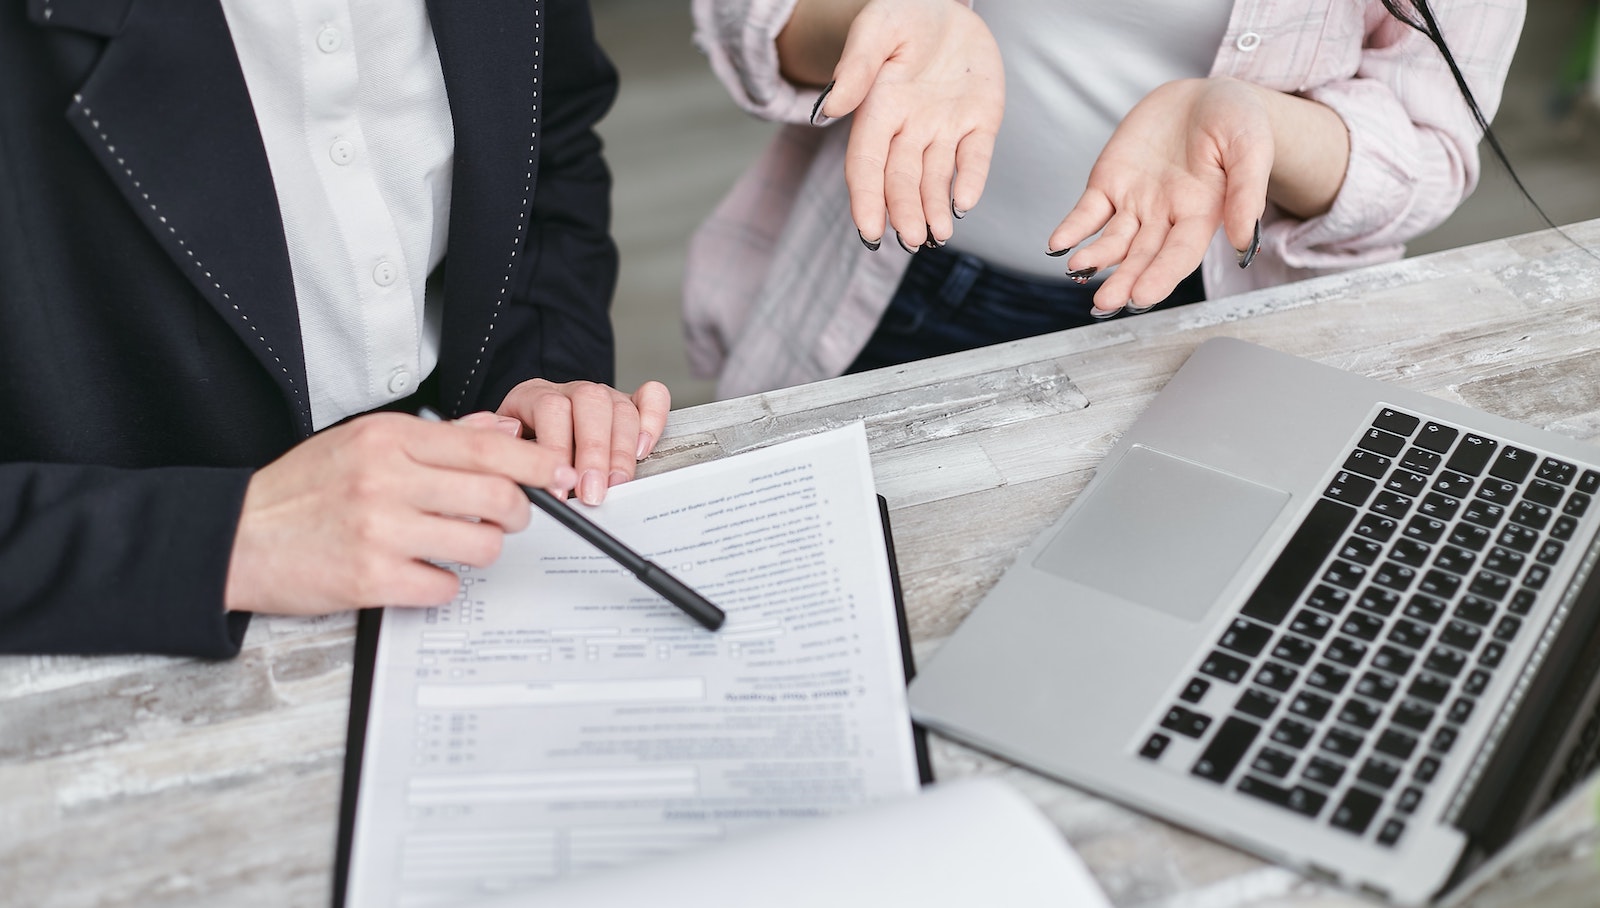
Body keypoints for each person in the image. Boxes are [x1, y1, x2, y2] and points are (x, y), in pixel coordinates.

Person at [0, 1, 670, 657]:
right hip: (145, 633)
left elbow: (551, 136)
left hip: (482, 544)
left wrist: (537, 363)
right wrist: (223, 536)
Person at [685, 0, 1526, 398]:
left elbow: (1428, 150)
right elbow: (746, 16)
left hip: (1221, 324)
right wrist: (887, 18)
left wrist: (1254, 125)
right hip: (898, 291)